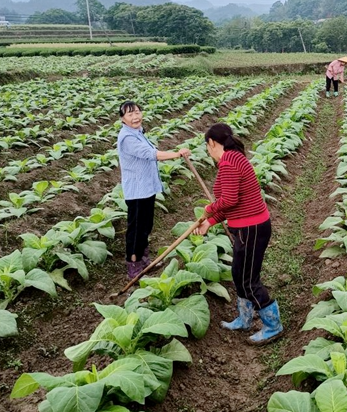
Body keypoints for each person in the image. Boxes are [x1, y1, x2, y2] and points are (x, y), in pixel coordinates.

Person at [196, 123, 283, 345]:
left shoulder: (229, 163)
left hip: (251, 229)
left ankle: (273, 325)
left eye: (207, 146)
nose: (208, 151)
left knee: (248, 279)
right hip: (248, 226)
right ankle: (244, 319)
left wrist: (208, 210)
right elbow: (235, 204)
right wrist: (211, 222)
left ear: (212, 143)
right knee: (238, 274)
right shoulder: (233, 158)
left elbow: (229, 200)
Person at [117, 101, 191, 279]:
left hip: (146, 188)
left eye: (137, 112)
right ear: (123, 119)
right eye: (130, 114)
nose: (135, 117)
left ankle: (144, 259)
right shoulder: (127, 138)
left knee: (146, 225)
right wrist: (177, 154)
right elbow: (151, 154)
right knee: (135, 230)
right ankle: (133, 265)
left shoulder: (138, 133)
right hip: (137, 191)